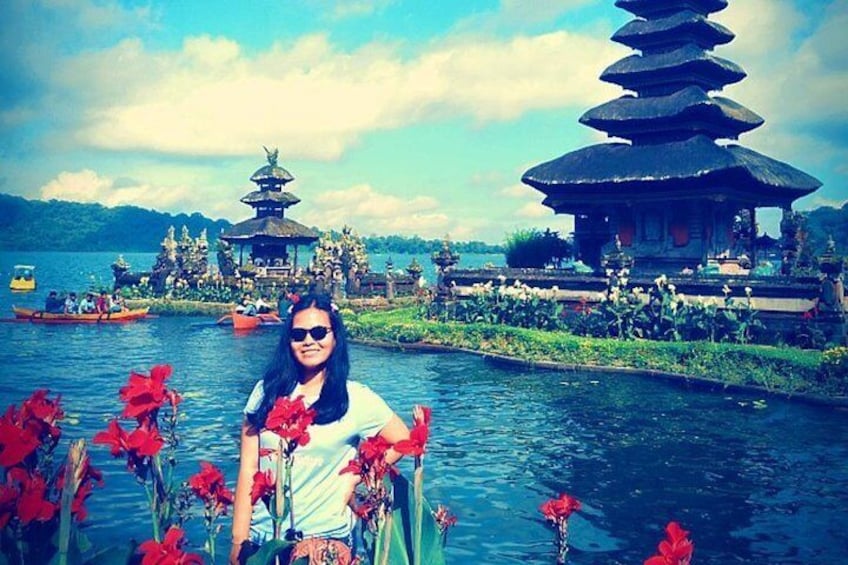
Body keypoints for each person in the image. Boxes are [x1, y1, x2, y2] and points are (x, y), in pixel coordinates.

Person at [229, 293, 410, 564]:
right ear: (288, 341)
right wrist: (238, 540)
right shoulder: (265, 392)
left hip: (326, 540)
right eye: (299, 334)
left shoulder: (356, 397)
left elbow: (403, 440)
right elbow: (248, 470)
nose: (309, 341)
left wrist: (358, 477)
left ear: (335, 336)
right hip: (264, 536)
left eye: (318, 332)